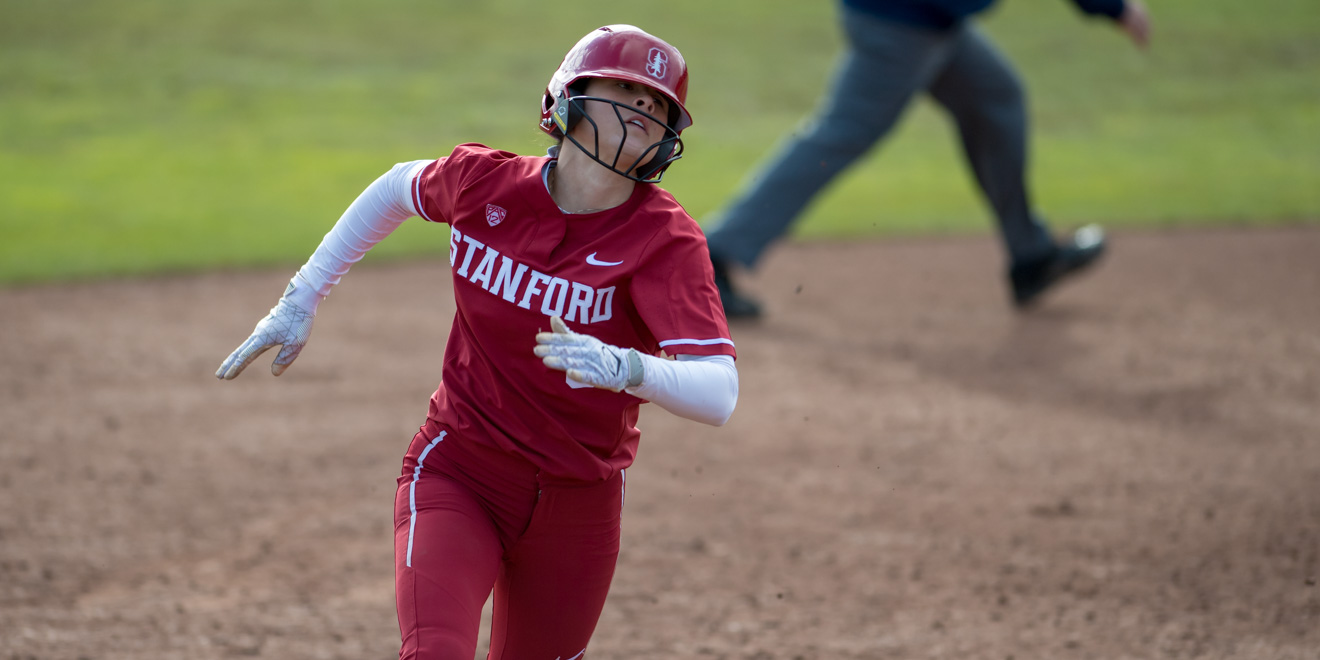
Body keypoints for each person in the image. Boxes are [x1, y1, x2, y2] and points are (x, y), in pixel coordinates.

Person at [215, 25, 738, 660]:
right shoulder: (484, 184)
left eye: (657, 105)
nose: (642, 110)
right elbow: (396, 188)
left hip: (580, 500)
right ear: (567, 99)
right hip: (460, 469)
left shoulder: (665, 240)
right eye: (625, 91)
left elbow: (719, 393)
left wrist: (627, 368)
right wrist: (301, 297)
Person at [706, 0, 1152, 318]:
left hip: (929, 18)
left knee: (997, 99)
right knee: (838, 136)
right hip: (903, 21)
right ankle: (715, 255)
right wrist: (1113, 6)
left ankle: (1031, 255)